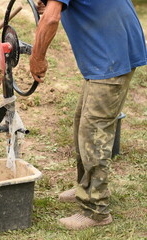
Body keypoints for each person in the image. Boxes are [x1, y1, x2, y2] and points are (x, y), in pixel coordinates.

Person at [30, 0, 147, 230]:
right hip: (110, 47)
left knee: (94, 133)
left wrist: (37, 57)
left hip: (110, 55)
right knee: (82, 125)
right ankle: (87, 187)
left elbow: (51, 18)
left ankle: (96, 210)